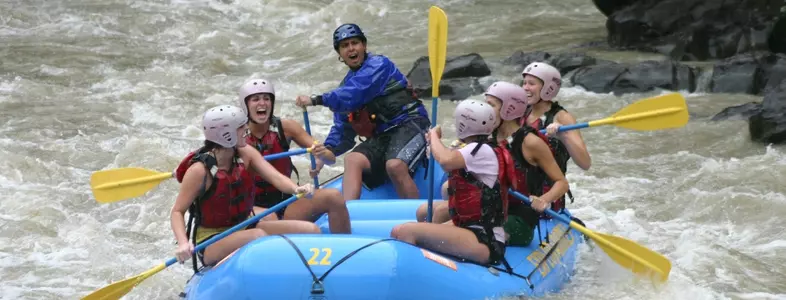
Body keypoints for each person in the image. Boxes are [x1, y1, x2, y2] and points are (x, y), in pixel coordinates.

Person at [415, 82, 569, 247]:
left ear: (509, 109)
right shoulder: (487, 135)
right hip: (488, 208)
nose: (484, 109)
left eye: (491, 105)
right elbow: (454, 161)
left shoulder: (530, 142)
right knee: (426, 211)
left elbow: (562, 183)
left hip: (516, 218)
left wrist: (544, 199)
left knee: (437, 231)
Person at [170, 105, 318, 270]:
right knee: (258, 236)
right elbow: (177, 211)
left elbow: (275, 176)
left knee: (310, 230)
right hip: (212, 239)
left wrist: (295, 188)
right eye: (241, 127)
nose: (247, 129)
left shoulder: (245, 153)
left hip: (245, 225)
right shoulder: (199, 170)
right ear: (224, 134)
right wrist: (183, 243)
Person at [294, 23, 430, 202]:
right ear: (340, 54)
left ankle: (420, 220)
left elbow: (355, 93)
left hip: (411, 124)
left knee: (395, 165)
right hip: (383, 137)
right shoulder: (345, 86)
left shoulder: (380, 65)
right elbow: (343, 130)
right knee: (352, 160)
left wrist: (317, 100)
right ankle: (348, 215)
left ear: (364, 46)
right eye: (344, 46)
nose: (351, 49)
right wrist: (326, 154)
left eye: (355, 43)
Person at [391, 100, 517, 266]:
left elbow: (445, 161)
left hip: (484, 238)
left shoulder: (480, 150)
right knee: (409, 224)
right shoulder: (479, 148)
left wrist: (433, 136)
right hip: (473, 229)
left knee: (405, 231)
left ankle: (411, 277)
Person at [238, 78, 350, 234]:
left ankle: (344, 250)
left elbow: (330, 159)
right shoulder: (237, 136)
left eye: (266, 98)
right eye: (255, 99)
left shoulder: (286, 128)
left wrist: (321, 156)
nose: (262, 103)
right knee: (270, 217)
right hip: (252, 206)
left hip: (286, 200)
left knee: (334, 197)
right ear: (245, 105)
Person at [520, 62, 591, 210]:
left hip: (548, 204)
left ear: (548, 88)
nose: (525, 87)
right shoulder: (521, 113)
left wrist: (564, 135)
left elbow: (585, 163)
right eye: (524, 83)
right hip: (520, 197)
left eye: (531, 83)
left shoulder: (562, 118)